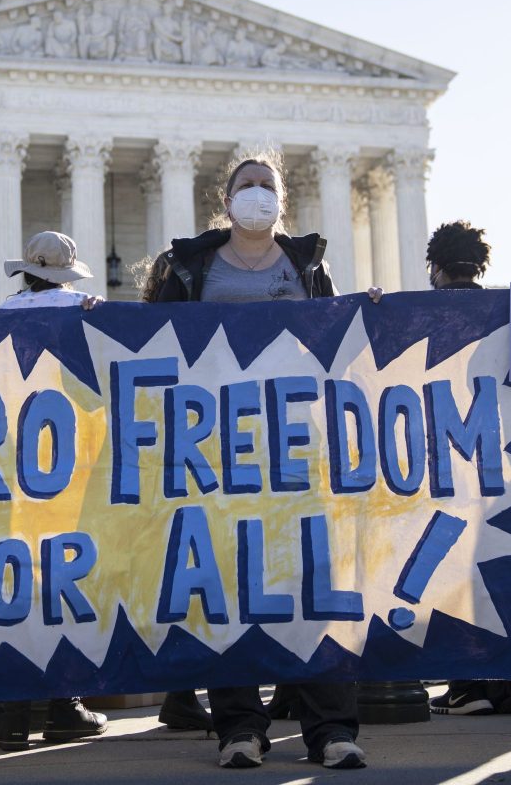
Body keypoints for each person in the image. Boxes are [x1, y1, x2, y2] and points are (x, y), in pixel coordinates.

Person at [153, 152, 373, 770]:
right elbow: (154, 341)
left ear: (282, 199)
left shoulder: (307, 265)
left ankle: (330, 728)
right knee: (228, 584)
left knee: (312, 581)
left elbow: (336, 341)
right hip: (216, 448)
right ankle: (240, 728)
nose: (257, 194)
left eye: (266, 186)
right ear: (226, 202)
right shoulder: (193, 267)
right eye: (246, 186)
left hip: (298, 446)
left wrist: (369, 312)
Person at [425, 221, 511, 716]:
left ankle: (478, 687)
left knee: (466, 578)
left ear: (435, 267)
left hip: (457, 470)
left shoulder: (428, 314)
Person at [0, 243, 108, 749]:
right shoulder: (86, 313)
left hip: (7, 467)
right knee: (66, 583)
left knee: (13, 583)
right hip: (70, 470)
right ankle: (65, 703)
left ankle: (11, 717)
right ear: (67, 276)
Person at [0, 232, 102, 310]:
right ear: (67, 275)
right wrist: (103, 308)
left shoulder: (7, 307)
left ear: (28, 274)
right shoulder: (85, 303)